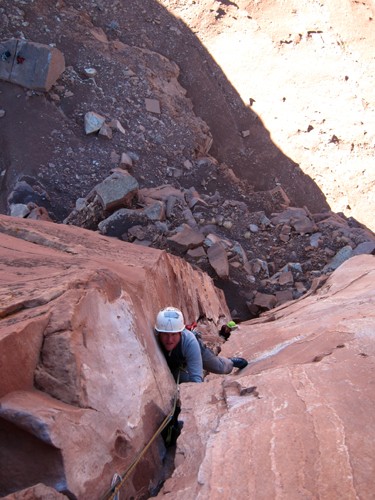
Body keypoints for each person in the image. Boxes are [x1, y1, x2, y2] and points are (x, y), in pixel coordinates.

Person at [155, 306, 248, 383]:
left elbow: (196, 378)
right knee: (183, 380)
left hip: (196, 350)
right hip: (176, 361)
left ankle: (230, 362)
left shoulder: (189, 341)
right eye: (165, 334)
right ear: (159, 333)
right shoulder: (156, 339)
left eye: (173, 334)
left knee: (220, 367)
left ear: (180, 332)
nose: (169, 339)